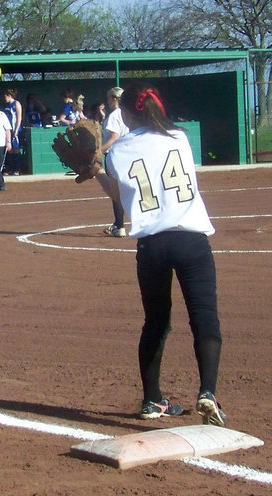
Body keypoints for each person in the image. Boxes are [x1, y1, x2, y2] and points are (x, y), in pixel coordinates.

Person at [105, 82, 226, 426]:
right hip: (191, 240)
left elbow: (118, 195)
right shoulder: (181, 138)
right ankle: (207, 393)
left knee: (156, 322)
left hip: (152, 246)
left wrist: (94, 171)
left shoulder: (119, 151)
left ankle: (151, 399)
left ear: (126, 115)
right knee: (204, 318)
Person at [97, 86, 130, 238]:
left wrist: (98, 152)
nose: (108, 101)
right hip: (130, 155)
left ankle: (120, 226)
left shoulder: (115, 116)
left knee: (115, 190)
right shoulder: (129, 114)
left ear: (115, 99)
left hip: (116, 156)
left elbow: (113, 138)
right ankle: (117, 224)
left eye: (109, 98)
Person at [3, 88, 23, 176]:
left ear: (9, 96)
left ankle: (17, 169)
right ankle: (10, 168)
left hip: (15, 129)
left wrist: (16, 130)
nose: (4, 98)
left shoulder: (16, 103)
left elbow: (19, 117)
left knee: (16, 149)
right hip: (8, 130)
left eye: (5, 96)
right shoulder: (7, 106)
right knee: (9, 149)